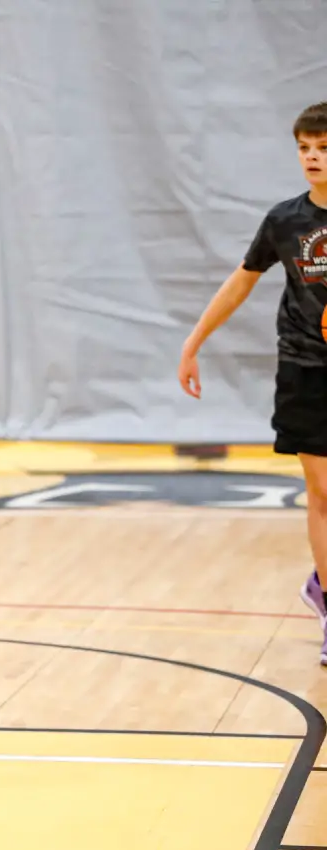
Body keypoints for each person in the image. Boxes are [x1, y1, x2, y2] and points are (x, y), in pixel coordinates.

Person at [179, 100, 327, 666]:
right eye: (304, 148)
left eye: (323, 148)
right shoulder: (285, 221)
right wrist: (193, 343)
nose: (312, 158)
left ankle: (320, 582)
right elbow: (241, 282)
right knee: (322, 492)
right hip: (305, 369)